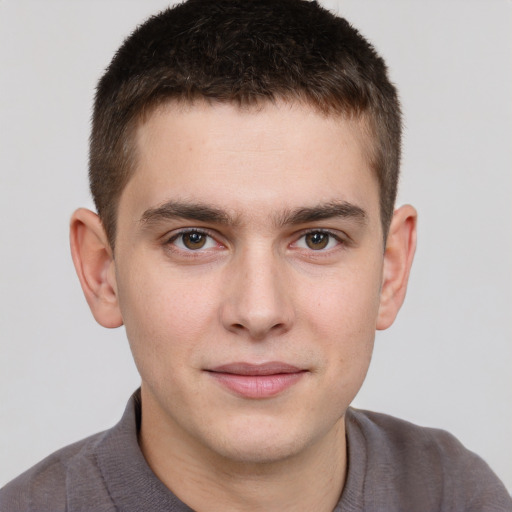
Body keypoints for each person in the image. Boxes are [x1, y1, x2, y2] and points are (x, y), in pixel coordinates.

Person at [1, 1, 510, 510]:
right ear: (102, 272)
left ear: (391, 269)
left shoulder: (457, 494)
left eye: (317, 239)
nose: (259, 311)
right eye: (194, 239)